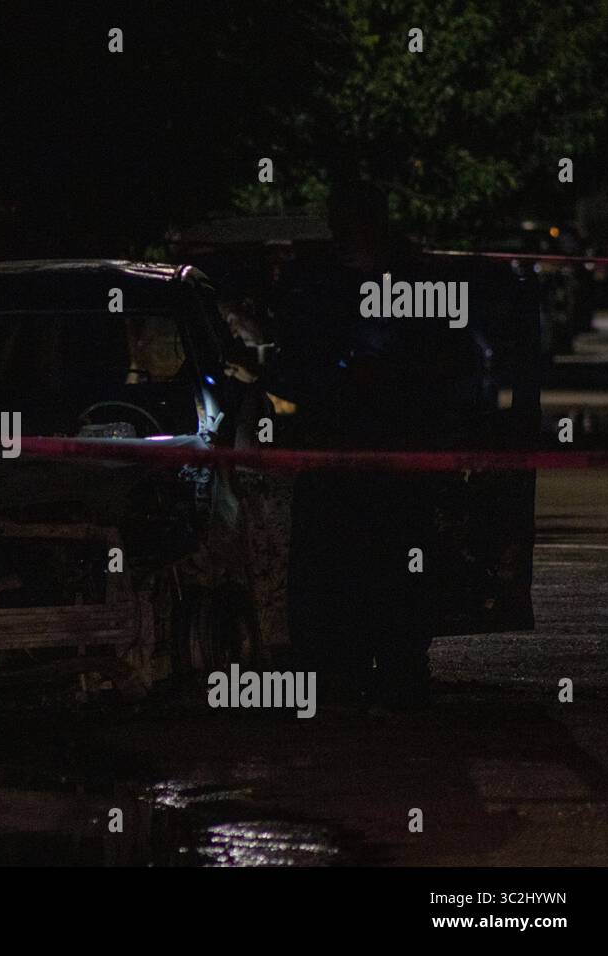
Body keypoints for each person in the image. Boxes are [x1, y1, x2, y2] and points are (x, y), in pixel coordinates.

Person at [266, 181, 438, 710]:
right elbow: (292, 364)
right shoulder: (318, 282)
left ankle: (395, 668)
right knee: (333, 566)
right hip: (336, 452)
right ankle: (340, 671)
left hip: (393, 456)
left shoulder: (411, 278)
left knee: (394, 566)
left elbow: (440, 359)